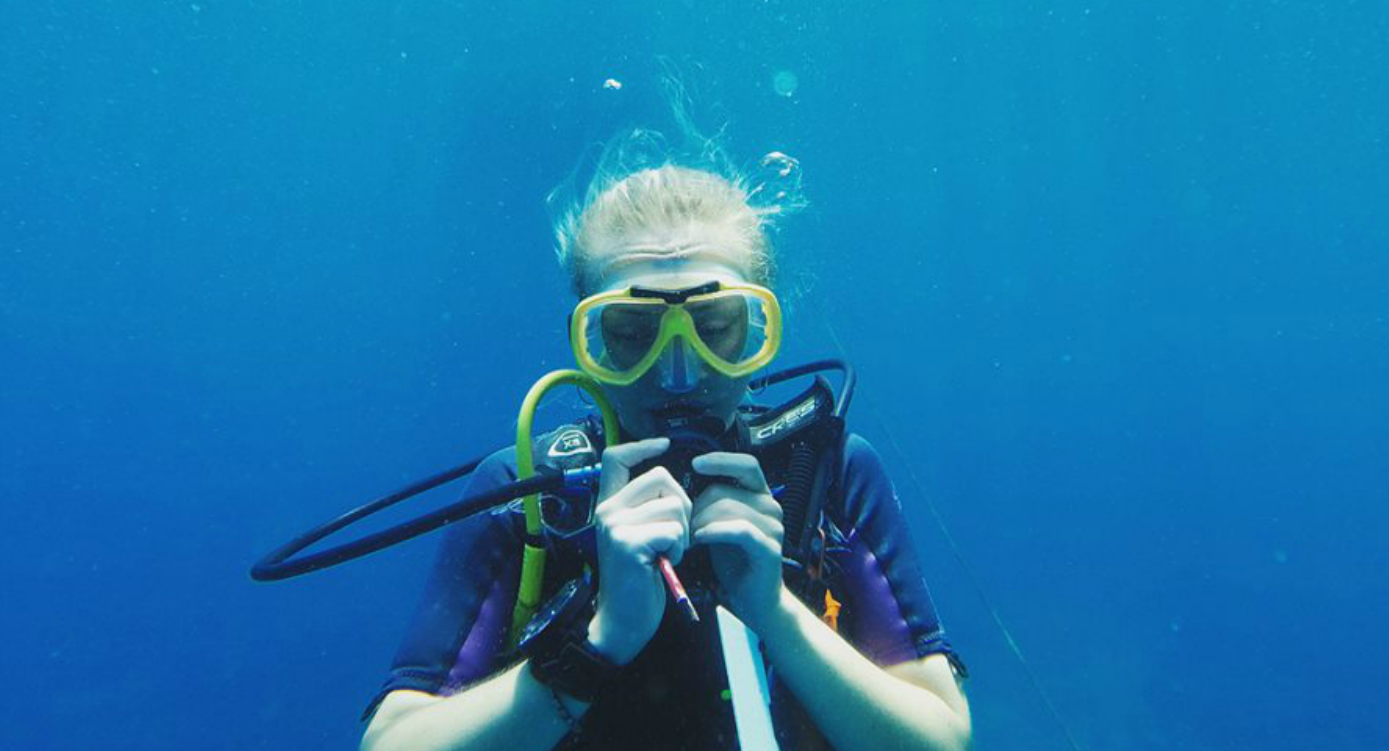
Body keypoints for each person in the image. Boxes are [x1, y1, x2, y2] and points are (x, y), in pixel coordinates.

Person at [359, 155, 972, 751]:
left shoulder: (829, 475)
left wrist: (775, 612)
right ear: (588, 339)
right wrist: (602, 641)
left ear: (757, 328)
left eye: (714, 328)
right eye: (630, 335)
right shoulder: (534, 495)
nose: (679, 375)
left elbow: (940, 737)